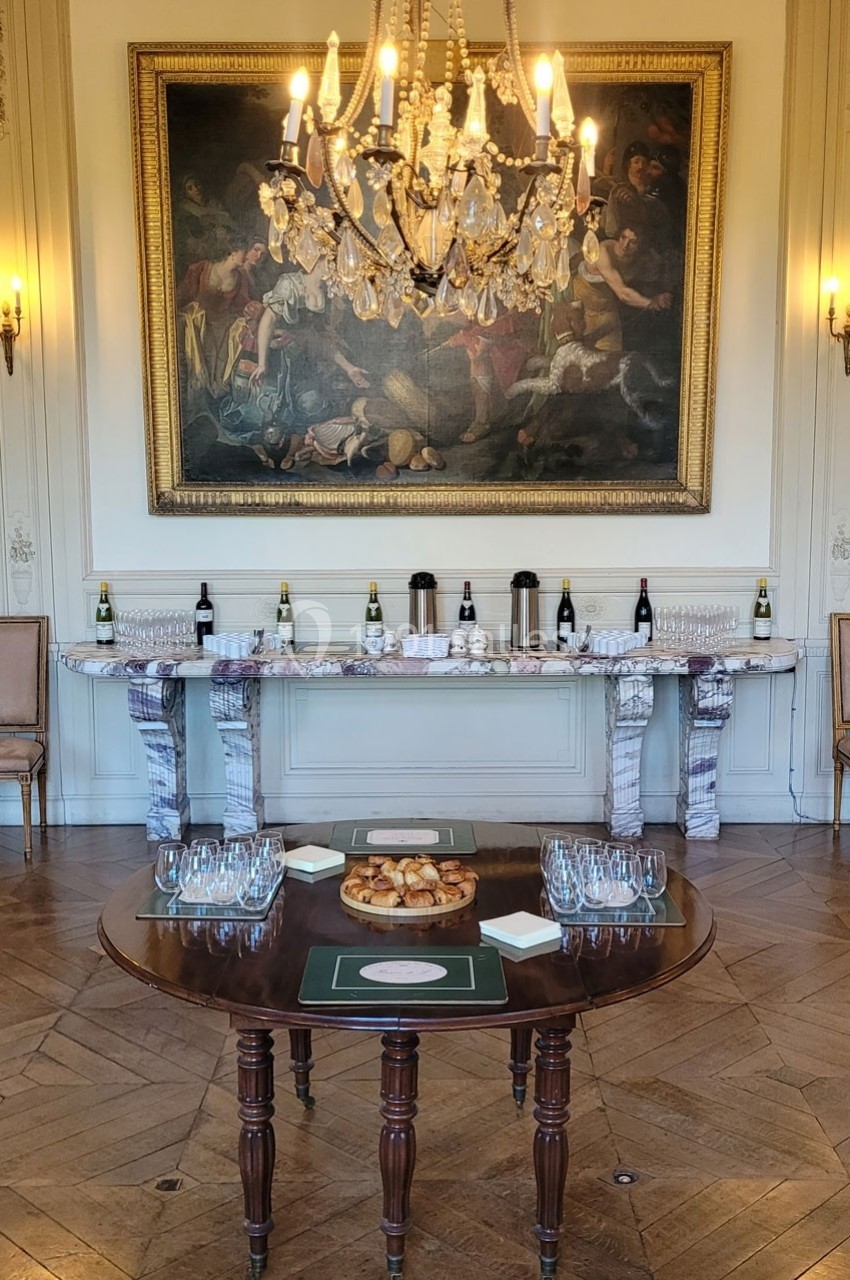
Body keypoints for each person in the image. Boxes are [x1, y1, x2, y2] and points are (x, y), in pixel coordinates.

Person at [571, 224, 672, 353]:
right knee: (581, 355)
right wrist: (651, 303)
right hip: (584, 306)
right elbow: (623, 294)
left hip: (608, 311)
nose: (625, 245)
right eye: (623, 237)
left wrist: (660, 296)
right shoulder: (604, 252)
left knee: (611, 358)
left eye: (633, 242)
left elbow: (644, 279)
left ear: (640, 246)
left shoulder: (639, 259)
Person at [177, 238, 252, 400]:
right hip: (198, 323)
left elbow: (243, 306)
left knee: (225, 347)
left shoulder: (241, 278)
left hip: (222, 325)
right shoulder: (201, 268)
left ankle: (214, 397)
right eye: (244, 252)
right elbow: (182, 295)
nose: (246, 256)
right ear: (233, 252)